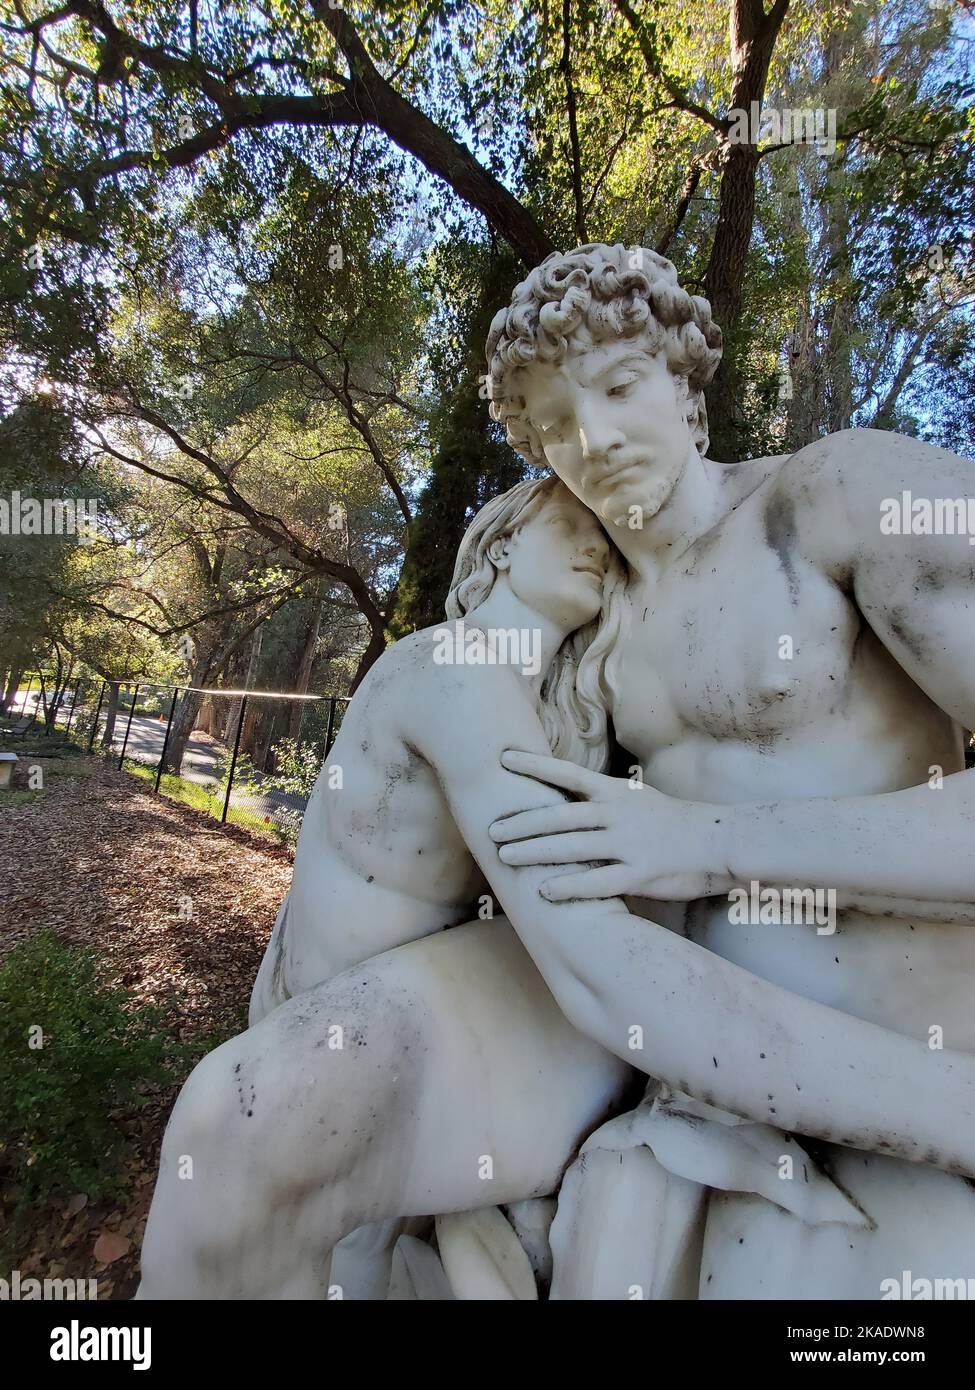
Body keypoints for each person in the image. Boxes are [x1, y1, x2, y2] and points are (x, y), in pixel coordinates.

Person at [139, 245, 975, 1300]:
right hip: (642, 1016)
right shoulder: (575, 621)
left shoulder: (839, 498)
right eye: (556, 425)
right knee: (251, 1122)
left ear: (683, 378)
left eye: (623, 388)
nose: (600, 440)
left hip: (888, 1044)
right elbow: (544, 901)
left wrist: (712, 843)